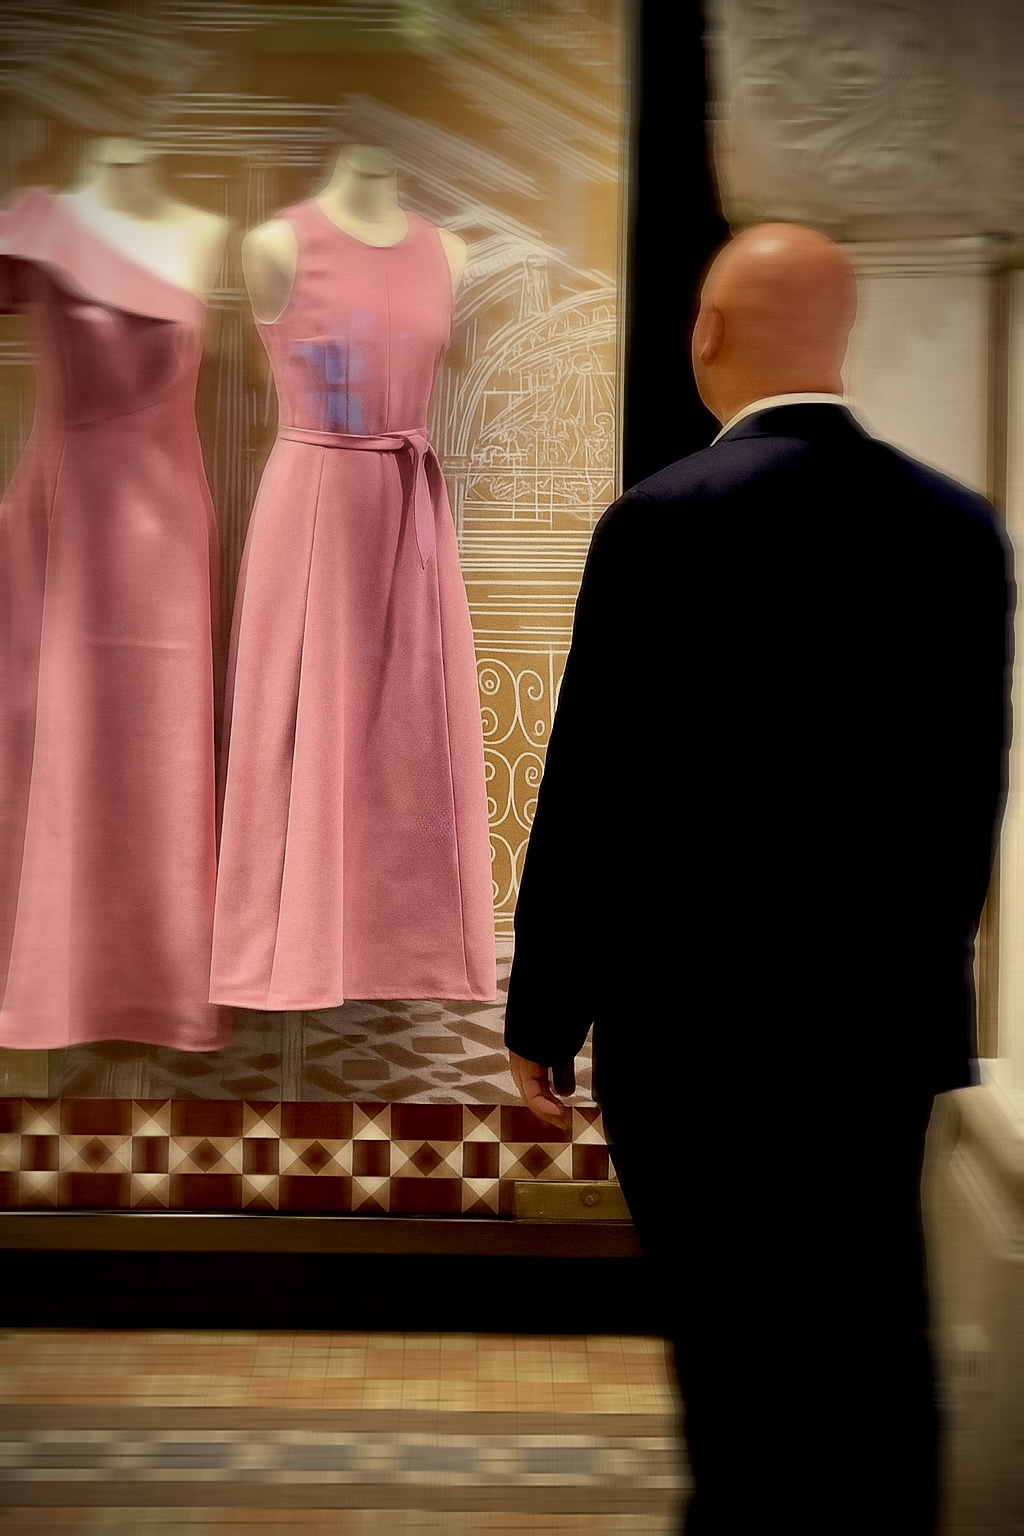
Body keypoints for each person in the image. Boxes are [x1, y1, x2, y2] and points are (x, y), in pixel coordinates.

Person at [503, 223, 1013, 1533]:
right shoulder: (960, 532)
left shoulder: (663, 523)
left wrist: (544, 1014)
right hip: (881, 1031)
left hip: (701, 1037)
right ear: (838, 342)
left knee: (733, 1353)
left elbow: (598, 789)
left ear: (706, 335)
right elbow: (968, 800)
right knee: (867, 1335)